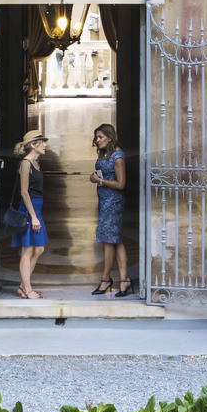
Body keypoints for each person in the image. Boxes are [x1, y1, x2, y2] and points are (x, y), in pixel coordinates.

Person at [90, 122, 132, 298]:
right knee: (116, 240)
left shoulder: (118, 156)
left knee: (108, 241)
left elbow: (120, 184)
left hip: (113, 203)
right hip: (104, 202)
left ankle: (106, 279)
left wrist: (99, 181)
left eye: (101, 137)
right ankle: (124, 279)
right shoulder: (104, 153)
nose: (97, 140)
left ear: (110, 137)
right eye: (97, 137)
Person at [8, 129, 50, 300]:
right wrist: (33, 216)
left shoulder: (37, 163)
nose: (46, 145)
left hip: (36, 208)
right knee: (28, 250)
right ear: (33, 145)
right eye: (42, 142)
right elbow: (24, 192)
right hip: (29, 209)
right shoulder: (26, 163)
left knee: (38, 249)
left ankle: (22, 286)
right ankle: (27, 289)